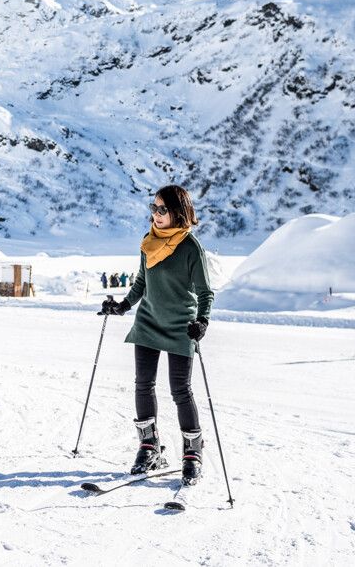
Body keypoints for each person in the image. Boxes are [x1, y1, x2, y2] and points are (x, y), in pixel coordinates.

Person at [101, 184, 214, 486]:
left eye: (162, 209)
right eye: (153, 207)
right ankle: (149, 447)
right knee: (143, 384)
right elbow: (142, 282)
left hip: (180, 325)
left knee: (180, 390)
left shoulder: (191, 247)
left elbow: (205, 292)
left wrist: (202, 322)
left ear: (178, 211)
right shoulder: (148, 241)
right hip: (149, 321)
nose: (156, 214)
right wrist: (123, 305)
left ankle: (192, 452)